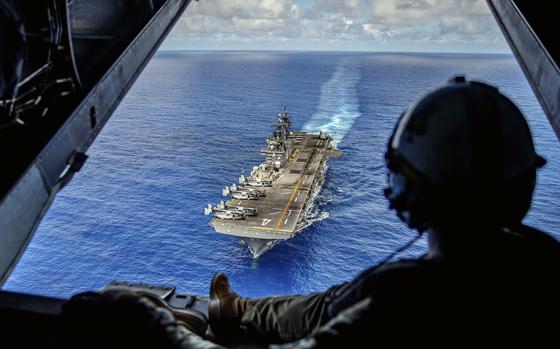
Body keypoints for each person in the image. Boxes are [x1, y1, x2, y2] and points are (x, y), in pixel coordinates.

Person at [63, 77, 560, 347]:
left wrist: (158, 329)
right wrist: (242, 311)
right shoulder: (544, 267)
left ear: (409, 190)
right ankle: (239, 309)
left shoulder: (404, 305)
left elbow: (349, 314)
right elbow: (334, 305)